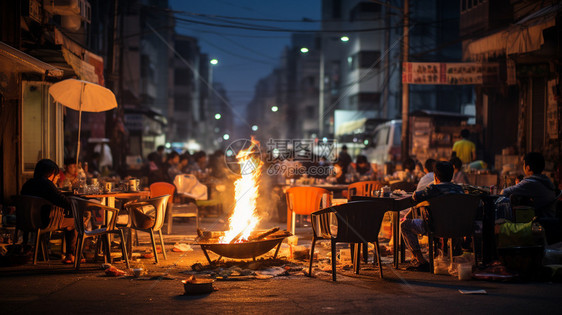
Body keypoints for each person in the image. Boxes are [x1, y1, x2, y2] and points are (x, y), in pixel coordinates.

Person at [400, 161, 464, 271]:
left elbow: (415, 197)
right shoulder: (459, 189)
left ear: (435, 176)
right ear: (451, 175)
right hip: (456, 226)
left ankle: (421, 261)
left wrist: (431, 185)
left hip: (434, 227)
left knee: (405, 225)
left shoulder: (432, 189)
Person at [21, 159, 78, 264]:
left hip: (26, 221)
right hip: (45, 222)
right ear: (51, 174)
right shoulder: (47, 184)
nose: (56, 178)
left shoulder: (28, 184)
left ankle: (71, 254)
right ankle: (71, 254)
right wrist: (75, 203)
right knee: (76, 221)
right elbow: (64, 202)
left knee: (71, 219)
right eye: (56, 175)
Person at [501, 152, 558, 218]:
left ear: (528, 168)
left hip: (541, 222)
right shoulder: (544, 180)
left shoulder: (530, 183)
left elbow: (504, 192)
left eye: (523, 164)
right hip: (550, 219)